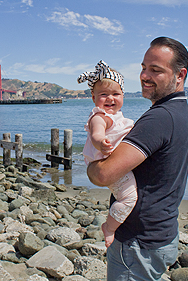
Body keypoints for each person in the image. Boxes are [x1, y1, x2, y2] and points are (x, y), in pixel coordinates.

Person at [87, 37, 188, 281]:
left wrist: (91, 165)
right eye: (144, 67)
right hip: (160, 232)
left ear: (180, 75)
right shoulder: (179, 110)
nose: (145, 75)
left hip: (138, 242)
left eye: (156, 70)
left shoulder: (159, 118)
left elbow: (104, 175)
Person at [77, 61, 137, 248]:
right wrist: (101, 143)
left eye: (116, 94)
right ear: (94, 98)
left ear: (123, 95)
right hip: (107, 163)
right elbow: (97, 133)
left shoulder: (118, 116)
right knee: (129, 198)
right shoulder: (100, 117)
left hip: (116, 162)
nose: (110, 98)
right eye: (104, 94)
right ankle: (109, 227)